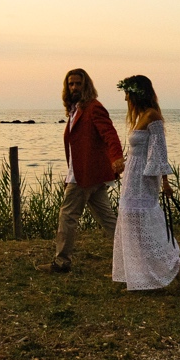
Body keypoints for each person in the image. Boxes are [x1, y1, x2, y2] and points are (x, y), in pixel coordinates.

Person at [111, 74, 180, 292]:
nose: (125, 99)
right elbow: (137, 150)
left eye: (128, 93)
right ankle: (141, 275)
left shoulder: (152, 116)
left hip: (144, 178)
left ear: (137, 93)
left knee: (144, 221)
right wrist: (121, 163)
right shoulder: (140, 116)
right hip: (132, 176)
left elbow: (159, 152)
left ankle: (174, 264)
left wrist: (165, 182)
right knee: (131, 220)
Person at [49, 68, 123, 274]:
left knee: (67, 215)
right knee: (108, 219)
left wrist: (117, 157)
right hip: (89, 174)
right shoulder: (75, 110)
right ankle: (133, 255)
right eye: (70, 84)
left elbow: (110, 133)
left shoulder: (93, 108)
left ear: (86, 85)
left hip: (86, 176)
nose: (74, 87)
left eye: (78, 84)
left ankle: (62, 262)